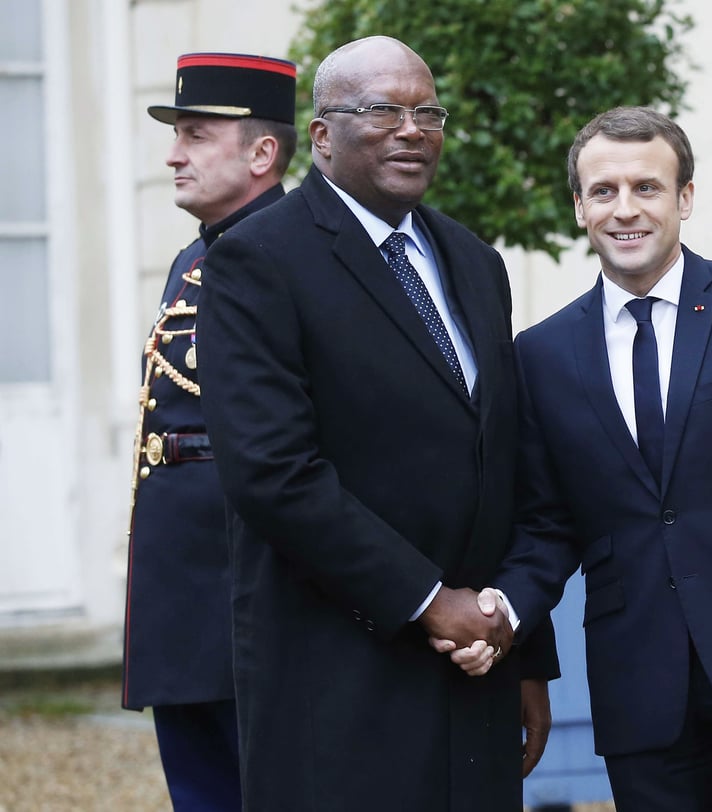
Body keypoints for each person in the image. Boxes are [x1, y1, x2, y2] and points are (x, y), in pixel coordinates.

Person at [439, 106, 712, 812]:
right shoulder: (542, 355)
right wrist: (503, 607)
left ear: (684, 198)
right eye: (604, 191)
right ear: (580, 207)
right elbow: (548, 525)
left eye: (646, 188)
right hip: (639, 683)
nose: (626, 210)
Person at [194, 36, 558, 811]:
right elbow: (272, 472)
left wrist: (522, 649)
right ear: (321, 135)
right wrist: (429, 601)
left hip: (476, 674)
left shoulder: (473, 261)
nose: (411, 129)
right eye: (383, 111)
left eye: (428, 112)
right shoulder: (258, 261)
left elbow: (507, 466)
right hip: (341, 677)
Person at [122, 51, 299, 811]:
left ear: (262, 152)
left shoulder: (300, 255)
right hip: (181, 590)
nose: (172, 153)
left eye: (195, 134)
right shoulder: (194, 259)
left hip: (253, 586)